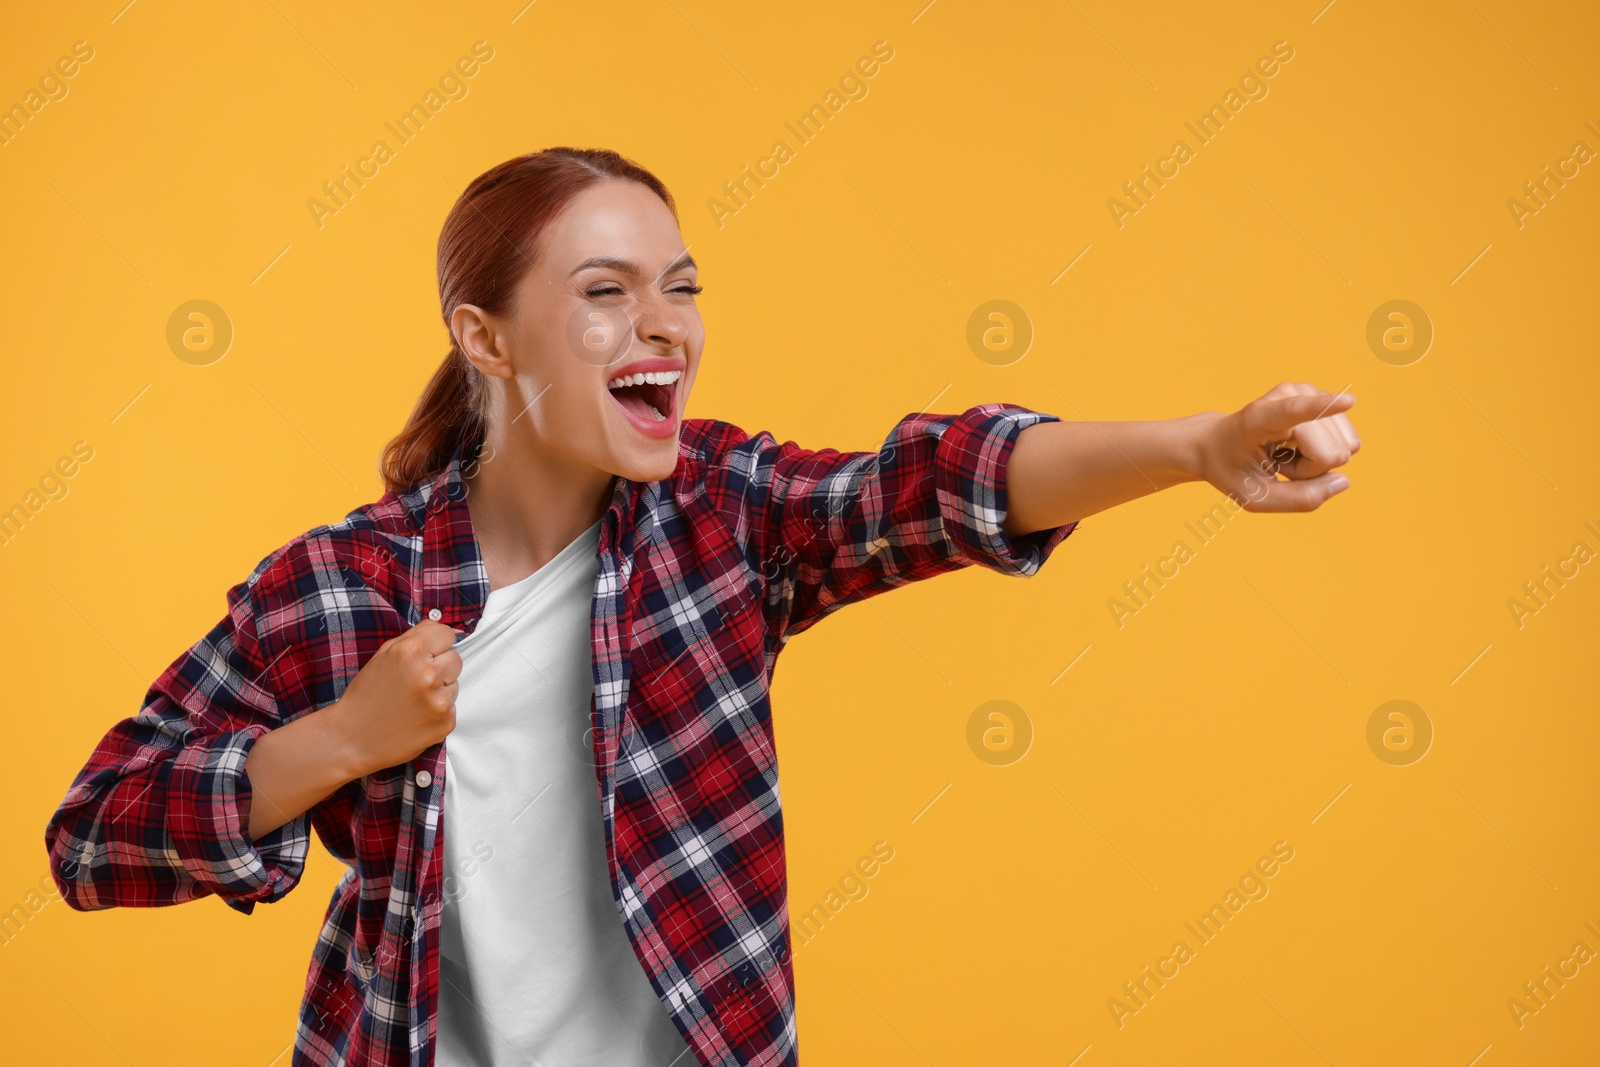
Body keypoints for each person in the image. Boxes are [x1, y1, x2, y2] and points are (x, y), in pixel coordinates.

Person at [43, 147, 1359, 1067]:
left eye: (680, 286)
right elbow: (94, 837)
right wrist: (339, 741)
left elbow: (925, 488)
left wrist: (1195, 449)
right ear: (486, 338)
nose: (664, 324)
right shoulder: (335, 589)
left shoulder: (720, 516)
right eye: (606, 293)